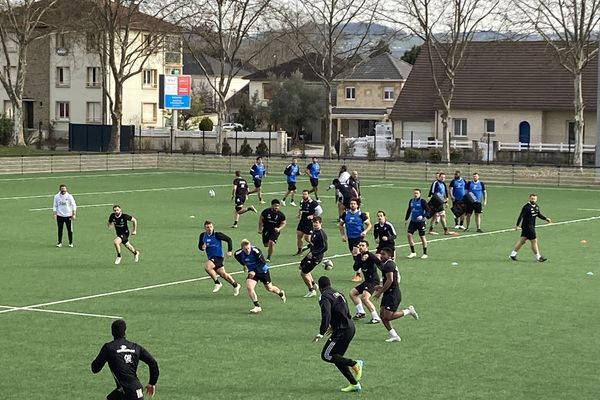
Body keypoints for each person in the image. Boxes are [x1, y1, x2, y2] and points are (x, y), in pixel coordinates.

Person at [313, 276, 364, 393]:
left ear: (320, 288)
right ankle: (354, 384)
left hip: (342, 330)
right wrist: (333, 326)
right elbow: (345, 311)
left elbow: (326, 314)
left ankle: (355, 363)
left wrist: (321, 332)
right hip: (349, 326)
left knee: (326, 355)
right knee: (337, 357)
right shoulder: (338, 293)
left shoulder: (324, 296)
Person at [91, 319, 159, 400]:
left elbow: (95, 369)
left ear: (112, 332)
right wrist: (152, 383)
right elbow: (153, 363)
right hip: (135, 390)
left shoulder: (109, 348)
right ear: (125, 332)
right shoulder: (135, 347)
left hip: (127, 392)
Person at [373, 248, 419, 342]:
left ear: (389, 256)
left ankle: (408, 311)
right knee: (382, 316)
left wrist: (380, 292)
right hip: (388, 293)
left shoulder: (389, 265)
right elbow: (388, 279)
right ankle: (394, 336)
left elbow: (390, 280)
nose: (381, 255)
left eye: (383, 254)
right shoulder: (386, 264)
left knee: (388, 316)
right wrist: (381, 287)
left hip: (393, 294)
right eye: (380, 254)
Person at [234, 239, 286, 313]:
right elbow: (239, 259)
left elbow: (262, 262)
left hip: (262, 271)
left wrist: (254, 271)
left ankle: (280, 293)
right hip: (252, 272)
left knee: (269, 288)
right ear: (242, 248)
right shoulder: (238, 253)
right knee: (249, 287)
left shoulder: (256, 251)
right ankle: (257, 306)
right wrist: (244, 265)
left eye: (248, 248)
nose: (247, 250)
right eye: (245, 249)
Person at [198, 220, 241, 295]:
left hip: (218, 256)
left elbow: (229, 239)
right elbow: (200, 246)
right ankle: (236, 285)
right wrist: (202, 247)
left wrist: (230, 250)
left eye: (211, 226)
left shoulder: (217, 234)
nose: (210, 228)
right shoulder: (202, 235)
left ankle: (217, 283)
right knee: (223, 274)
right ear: (205, 228)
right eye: (208, 227)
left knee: (207, 267)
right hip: (211, 257)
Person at [509, 194, 551, 262]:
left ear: (536, 199)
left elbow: (538, 214)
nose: (533, 200)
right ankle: (538, 257)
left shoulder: (536, 206)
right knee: (534, 241)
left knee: (522, 241)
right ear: (529, 199)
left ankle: (513, 254)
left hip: (530, 226)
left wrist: (546, 219)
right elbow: (521, 216)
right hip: (528, 227)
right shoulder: (526, 207)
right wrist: (517, 225)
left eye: (534, 199)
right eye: (532, 198)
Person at [338, 198, 372, 282]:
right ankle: (365, 265)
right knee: (355, 256)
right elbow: (340, 225)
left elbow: (369, 225)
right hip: (350, 237)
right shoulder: (345, 214)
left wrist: (365, 231)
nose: (352, 205)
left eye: (354, 204)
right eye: (351, 204)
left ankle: (358, 274)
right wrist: (342, 235)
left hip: (359, 237)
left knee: (355, 252)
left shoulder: (361, 214)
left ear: (357, 205)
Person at [349, 240, 382, 324]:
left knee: (364, 298)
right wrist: (361, 261)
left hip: (373, 280)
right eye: (359, 245)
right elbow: (355, 268)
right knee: (352, 293)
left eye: (363, 245)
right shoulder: (359, 256)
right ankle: (361, 312)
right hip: (367, 281)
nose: (360, 247)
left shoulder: (371, 255)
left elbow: (380, 264)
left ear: (367, 247)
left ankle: (376, 317)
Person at [300, 216, 328, 298]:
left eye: (317, 222)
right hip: (311, 254)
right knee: (301, 266)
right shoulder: (314, 231)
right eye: (314, 222)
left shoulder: (321, 234)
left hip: (316, 257)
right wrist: (307, 247)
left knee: (303, 273)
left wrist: (314, 253)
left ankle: (311, 290)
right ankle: (313, 284)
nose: (315, 224)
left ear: (320, 223)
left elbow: (325, 247)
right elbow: (314, 243)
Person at [404, 189, 430, 259]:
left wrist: (423, 216)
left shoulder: (422, 201)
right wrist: (406, 219)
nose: (415, 194)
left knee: (422, 236)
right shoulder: (411, 201)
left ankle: (425, 253)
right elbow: (409, 210)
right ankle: (413, 252)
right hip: (413, 221)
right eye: (414, 193)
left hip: (421, 222)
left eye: (417, 193)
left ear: (420, 194)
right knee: (409, 235)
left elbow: (428, 211)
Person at [296, 189, 320, 255]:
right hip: (302, 221)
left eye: (305, 194)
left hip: (309, 222)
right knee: (299, 235)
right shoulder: (301, 201)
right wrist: (299, 214)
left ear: (308, 195)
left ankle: (315, 246)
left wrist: (313, 216)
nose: (304, 195)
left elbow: (320, 211)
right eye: (303, 194)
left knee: (307, 238)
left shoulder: (313, 202)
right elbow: (300, 208)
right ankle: (299, 251)